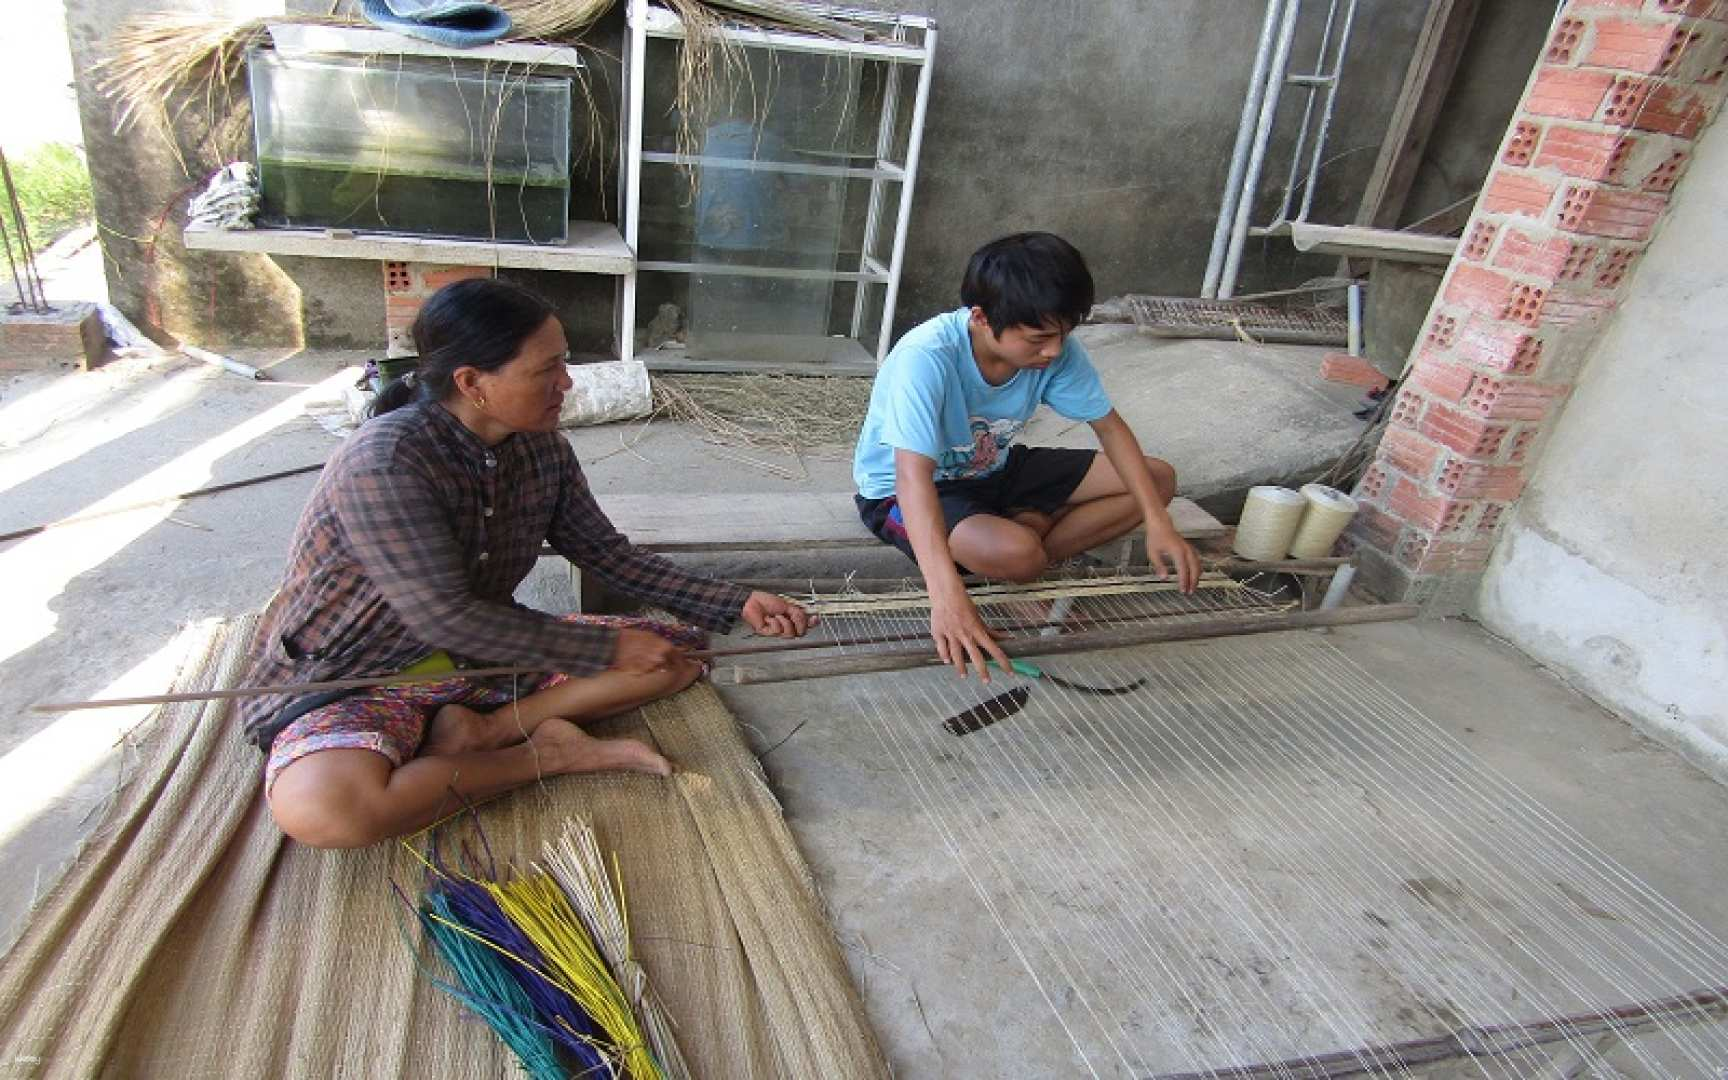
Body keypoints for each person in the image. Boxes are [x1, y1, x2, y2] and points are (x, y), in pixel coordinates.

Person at [241, 277, 812, 849]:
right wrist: (607, 650)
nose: (566, 383)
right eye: (547, 370)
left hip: (480, 659)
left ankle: (485, 730)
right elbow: (444, 616)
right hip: (360, 673)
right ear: (472, 382)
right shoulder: (385, 463)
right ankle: (548, 755)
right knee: (329, 811)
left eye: (564, 364)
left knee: (675, 653)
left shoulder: (541, 447)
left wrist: (733, 600)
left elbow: (604, 552)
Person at [852, 232, 1199, 682]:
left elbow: (1109, 428)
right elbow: (912, 477)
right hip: (908, 491)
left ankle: (1025, 543)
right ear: (981, 318)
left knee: (1157, 480)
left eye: (1062, 335)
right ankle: (1023, 545)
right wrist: (948, 599)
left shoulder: (1054, 349)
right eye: (1038, 339)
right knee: (1022, 556)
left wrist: (1158, 521)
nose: (1053, 351)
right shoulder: (926, 356)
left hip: (993, 464)